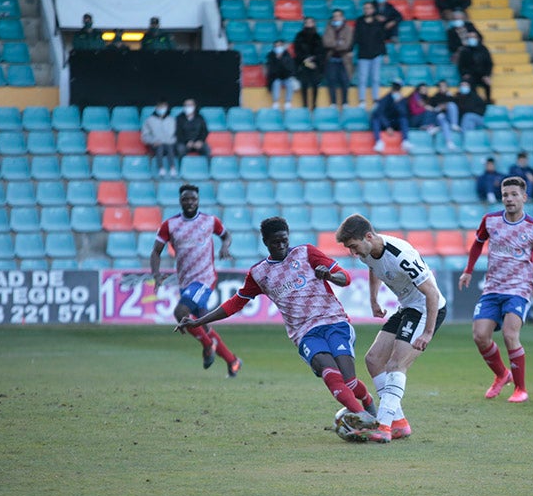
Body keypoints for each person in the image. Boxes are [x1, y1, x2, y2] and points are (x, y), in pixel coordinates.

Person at [178, 217, 378, 432]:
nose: (281, 245)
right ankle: (361, 417)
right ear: (265, 242)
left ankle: (367, 404)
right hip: (304, 333)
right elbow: (235, 303)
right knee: (329, 372)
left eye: (284, 240)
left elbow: (345, 278)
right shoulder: (259, 273)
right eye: (275, 242)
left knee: (349, 382)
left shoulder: (306, 253)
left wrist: (328, 275)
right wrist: (199, 320)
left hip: (334, 322)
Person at [334, 215, 447, 442]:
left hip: (426, 309)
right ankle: (399, 423)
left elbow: (432, 293)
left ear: (368, 236)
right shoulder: (368, 251)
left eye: (354, 247)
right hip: (407, 307)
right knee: (374, 360)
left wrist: (427, 332)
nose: (353, 253)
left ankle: (383, 427)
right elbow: (374, 267)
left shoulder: (401, 256)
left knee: (396, 364)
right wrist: (374, 299)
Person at [458, 176, 533, 404]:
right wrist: (468, 270)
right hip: (492, 288)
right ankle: (502, 375)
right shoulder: (490, 220)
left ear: (524, 197)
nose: (509, 199)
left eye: (514, 195)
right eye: (505, 195)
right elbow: (478, 243)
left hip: (518, 289)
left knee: (511, 335)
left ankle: (521, 389)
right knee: (480, 336)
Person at [152, 184, 242, 378]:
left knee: (180, 312)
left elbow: (226, 236)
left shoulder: (210, 221)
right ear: (180, 201)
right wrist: (156, 273)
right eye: (186, 199)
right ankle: (233, 361)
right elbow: (156, 251)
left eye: (193, 199)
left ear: (198, 200)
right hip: (186, 281)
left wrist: (224, 247)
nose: (190, 202)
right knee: (204, 325)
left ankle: (208, 346)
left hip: (205, 278)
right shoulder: (170, 225)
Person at [353, 2, 386, 108]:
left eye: (369, 8)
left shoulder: (377, 22)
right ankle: (362, 100)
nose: (367, 10)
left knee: (375, 78)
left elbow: (381, 39)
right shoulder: (359, 21)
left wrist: (385, 53)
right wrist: (351, 49)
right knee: (362, 79)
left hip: (376, 54)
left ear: (373, 9)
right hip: (363, 54)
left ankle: (375, 99)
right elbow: (356, 37)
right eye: (365, 8)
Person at [407, 82, 455, 149]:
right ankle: (427, 127)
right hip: (414, 120)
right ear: (418, 89)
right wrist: (425, 108)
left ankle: (433, 127)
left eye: (425, 89)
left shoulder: (427, 98)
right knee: (430, 112)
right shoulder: (414, 97)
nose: (424, 90)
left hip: (422, 119)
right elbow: (414, 111)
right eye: (422, 89)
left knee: (438, 115)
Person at [323, 9, 353, 110]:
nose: (336, 18)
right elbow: (326, 42)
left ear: (343, 17)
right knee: (332, 81)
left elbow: (347, 44)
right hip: (331, 59)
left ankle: (345, 102)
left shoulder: (348, 29)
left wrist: (334, 44)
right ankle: (333, 103)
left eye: (338, 16)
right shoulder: (329, 28)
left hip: (344, 60)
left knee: (345, 81)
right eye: (334, 16)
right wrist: (338, 43)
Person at [370, 80, 412, 152]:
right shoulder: (385, 98)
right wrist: (387, 127)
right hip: (385, 122)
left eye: (397, 88)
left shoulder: (402, 99)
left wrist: (397, 104)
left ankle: (405, 141)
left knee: (403, 119)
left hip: (395, 122)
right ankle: (378, 142)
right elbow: (379, 113)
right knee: (375, 119)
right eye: (395, 87)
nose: (396, 89)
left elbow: (404, 114)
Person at [293, 17, 324, 111]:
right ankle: (305, 106)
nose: (309, 24)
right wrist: (305, 59)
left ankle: (314, 105)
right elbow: (297, 50)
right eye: (307, 22)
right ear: (304, 24)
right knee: (304, 85)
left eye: (311, 22)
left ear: (314, 24)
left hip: (315, 64)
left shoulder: (318, 36)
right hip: (303, 64)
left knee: (315, 85)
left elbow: (321, 51)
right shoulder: (299, 36)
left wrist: (314, 59)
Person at [141, 99, 178, 178]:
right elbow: (145, 136)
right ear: (156, 108)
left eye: (164, 107)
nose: (162, 109)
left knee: (170, 148)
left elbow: (176, 135)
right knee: (159, 147)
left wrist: (170, 141)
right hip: (155, 144)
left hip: (169, 143)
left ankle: (172, 168)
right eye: (160, 107)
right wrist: (153, 141)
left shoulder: (172, 120)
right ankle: (161, 169)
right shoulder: (149, 120)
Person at [457, 31, 493, 103]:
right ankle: (474, 101)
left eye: (473, 37)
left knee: (487, 83)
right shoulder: (465, 50)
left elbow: (489, 63)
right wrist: (465, 74)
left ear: (477, 38)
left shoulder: (484, 49)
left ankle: (488, 101)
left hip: (482, 74)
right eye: (469, 37)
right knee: (468, 83)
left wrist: (487, 75)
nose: (471, 39)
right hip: (470, 75)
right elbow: (461, 65)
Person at [265, 39, 297, 110]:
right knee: (276, 83)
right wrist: (277, 60)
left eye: (280, 46)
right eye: (276, 46)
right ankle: (275, 102)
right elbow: (271, 70)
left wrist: (282, 59)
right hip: (276, 77)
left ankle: (288, 102)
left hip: (286, 76)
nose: (278, 47)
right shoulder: (271, 56)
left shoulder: (287, 55)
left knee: (290, 84)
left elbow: (290, 68)